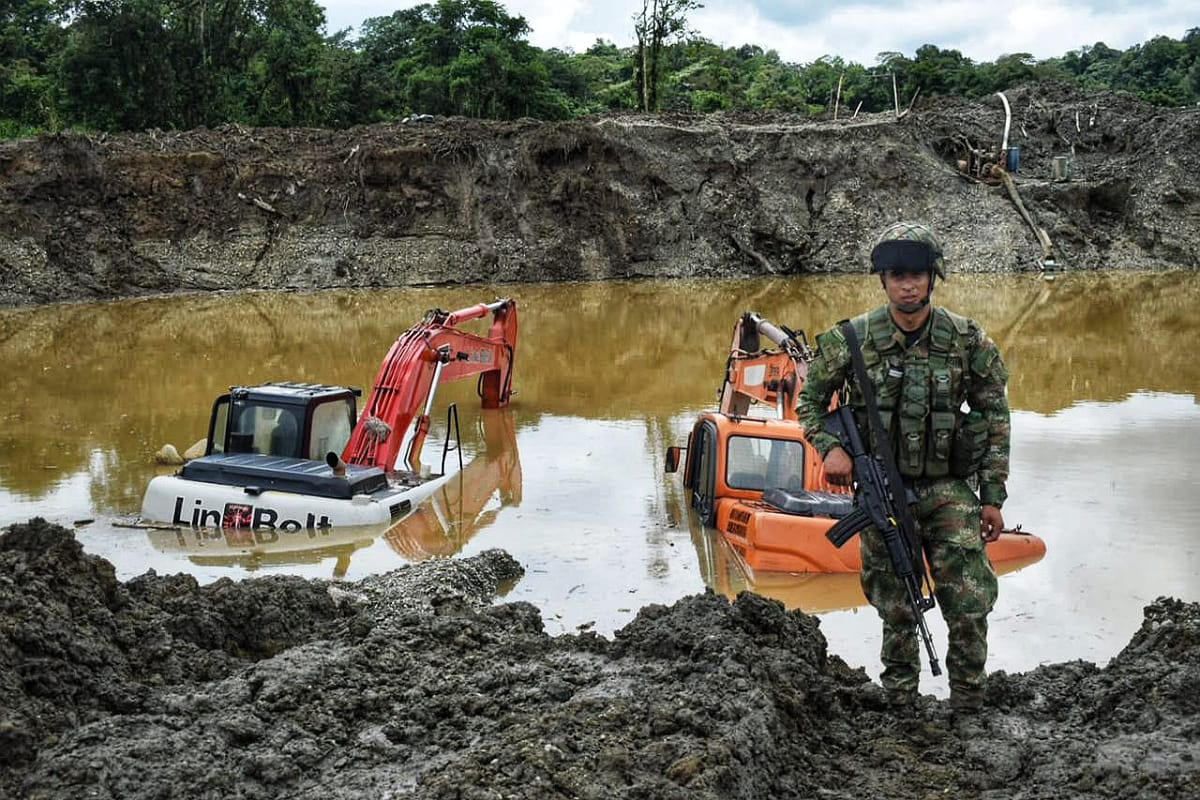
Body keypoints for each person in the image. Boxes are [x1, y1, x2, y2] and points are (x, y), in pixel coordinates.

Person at [794, 221, 1010, 712]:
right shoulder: (850, 340)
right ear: (883, 281)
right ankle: (901, 705)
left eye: (916, 275)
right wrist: (830, 447)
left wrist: (992, 496)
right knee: (896, 605)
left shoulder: (967, 340)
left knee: (970, 604)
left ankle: (970, 703)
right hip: (881, 494)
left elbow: (995, 414)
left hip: (947, 489)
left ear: (933, 278)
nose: (907, 285)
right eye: (896, 276)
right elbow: (807, 401)